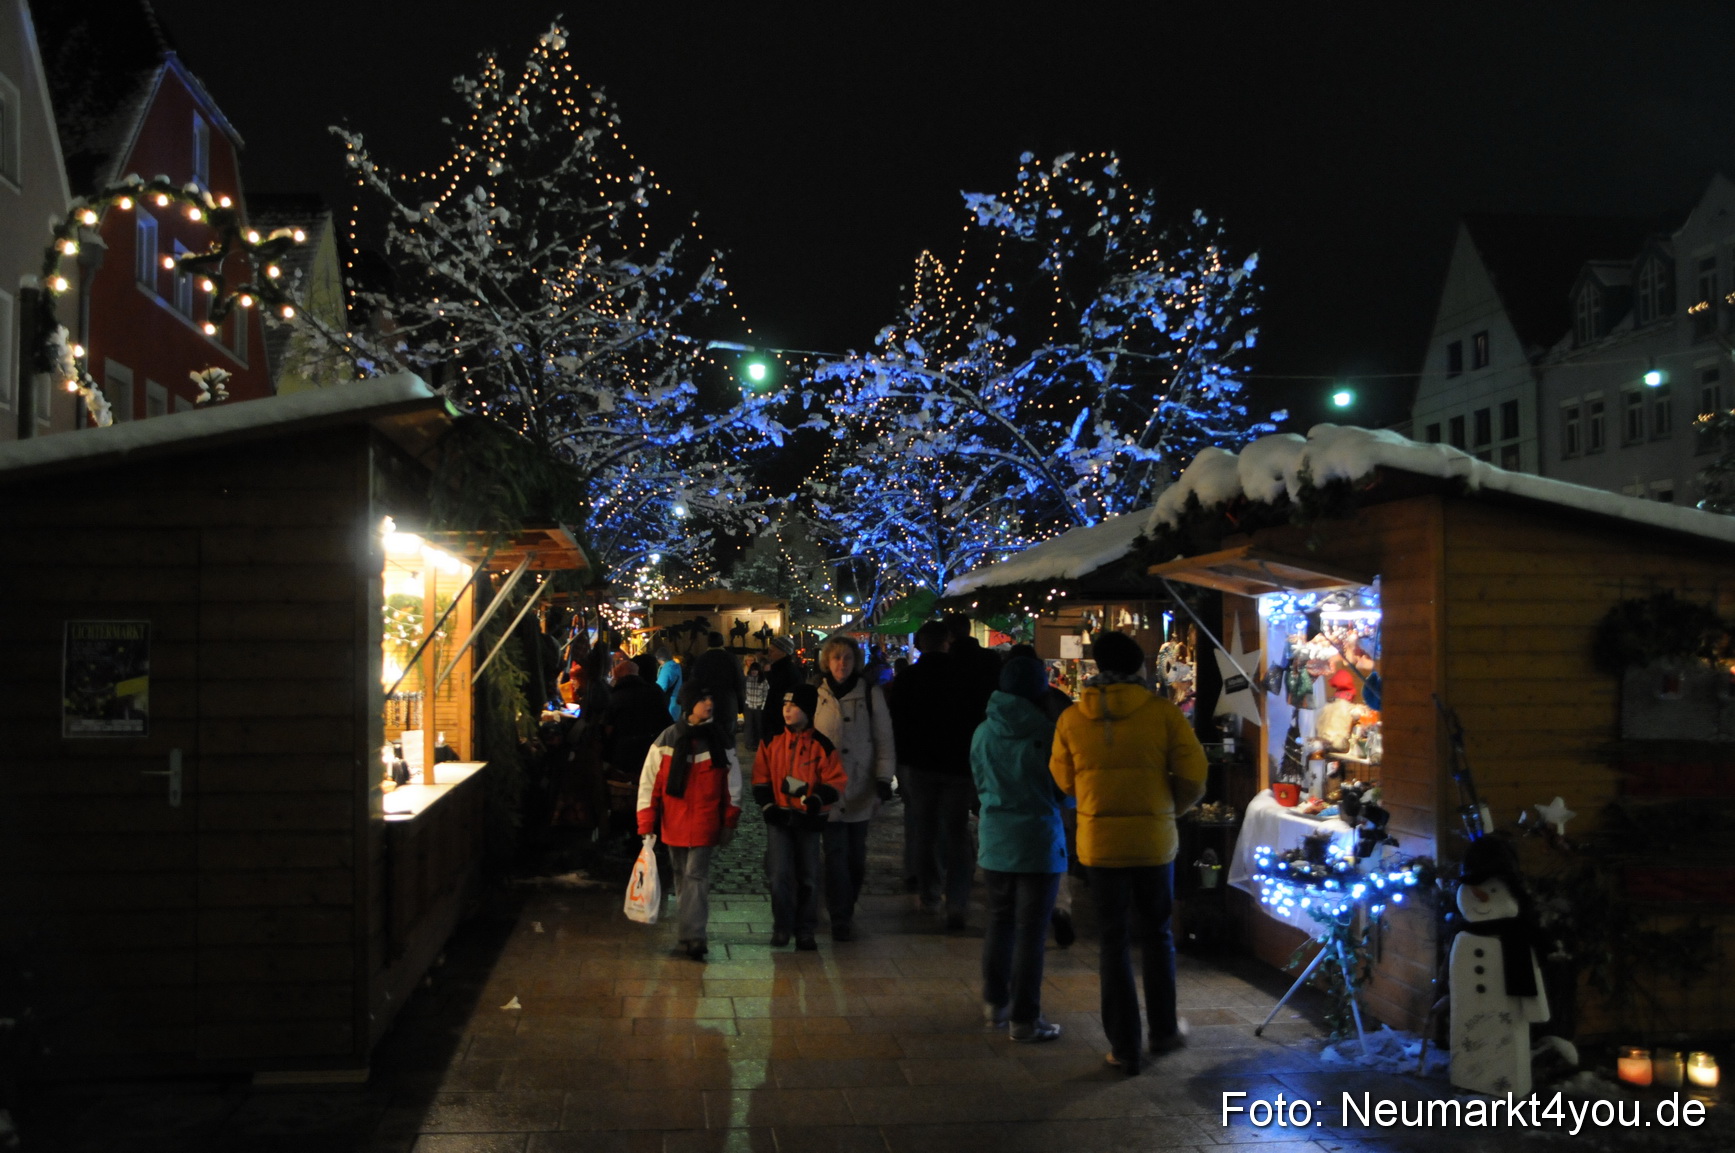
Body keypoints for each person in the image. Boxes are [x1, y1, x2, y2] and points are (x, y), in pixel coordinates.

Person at [1050, 631, 1207, 1074]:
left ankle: (1124, 1047)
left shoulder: (1073, 719)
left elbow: (1063, 780)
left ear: (1097, 665)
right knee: (1157, 936)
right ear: (1139, 666)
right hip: (1154, 844)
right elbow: (1194, 772)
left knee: (1113, 942)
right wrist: (1167, 808)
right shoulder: (1161, 713)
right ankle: (1163, 1031)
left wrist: (1094, 802)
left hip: (1100, 847)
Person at [973, 655, 1067, 1043]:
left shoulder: (983, 732)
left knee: (1000, 921)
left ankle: (996, 1003)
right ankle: (1026, 1018)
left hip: (995, 838)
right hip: (1037, 840)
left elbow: (978, 780)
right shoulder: (1047, 732)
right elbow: (1061, 789)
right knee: (1031, 932)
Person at [636, 683, 742, 961]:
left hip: (705, 823)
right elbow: (650, 785)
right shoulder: (667, 740)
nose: (709, 703)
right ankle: (688, 933)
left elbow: (733, 785)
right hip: (675, 824)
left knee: (695, 876)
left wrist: (729, 821)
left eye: (710, 697)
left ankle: (695, 935)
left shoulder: (720, 740)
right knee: (682, 877)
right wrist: (646, 823)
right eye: (703, 698)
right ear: (689, 704)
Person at [891, 620, 980, 930]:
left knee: (925, 831)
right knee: (957, 832)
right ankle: (957, 900)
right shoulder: (965, 676)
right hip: (958, 765)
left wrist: (899, 765)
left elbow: (898, 725)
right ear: (948, 641)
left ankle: (930, 895)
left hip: (920, 765)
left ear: (919, 644)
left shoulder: (908, 679)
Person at [812, 635, 896, 941]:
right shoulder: (816, 694)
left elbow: (884, 740)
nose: (841, 664)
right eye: (836, 658)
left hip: (860, 785)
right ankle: (840, 915)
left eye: (847, 658)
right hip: (827, 788)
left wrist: (883, 779)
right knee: (834, 852)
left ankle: (848, 901)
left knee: (856, 855)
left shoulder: (870, 694)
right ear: (827, 661)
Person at [752, 684, 847, 950]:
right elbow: (761, 778)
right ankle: (782, 926)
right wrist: (767, 804)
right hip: (779, 818)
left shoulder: (821, 745)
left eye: (793, 706)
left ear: (807, 710)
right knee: (779, 873)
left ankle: (805, 930)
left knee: (808, 876)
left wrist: (817, 798)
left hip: (809, 820)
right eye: (785, 705)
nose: (787, 710)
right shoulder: (771, 741)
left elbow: (836, 780)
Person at [692, 631, 748, 740]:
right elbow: (739, 683)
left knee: (709, 740)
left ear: (708, 643)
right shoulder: (731, 658)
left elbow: (694, 684)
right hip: (728, 704)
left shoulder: (701, 660)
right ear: (722, 642)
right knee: (728, 739)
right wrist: (740, 705)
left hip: (707, 705)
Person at [757, 636, 802, 746]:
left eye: (773, 650)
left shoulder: (786, 672)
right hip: (775, 723)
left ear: (784, 652)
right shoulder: (778, 668)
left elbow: (777, 698)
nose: (769, 652)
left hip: (778, 725)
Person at [742, 660, 768, 755]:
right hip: (748, 706)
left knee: (758, 726)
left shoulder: (763, 681)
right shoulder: (747, 679)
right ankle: (749, 744)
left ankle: (757, 744)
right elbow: (743, 692)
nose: (754, 672)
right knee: (748, 726)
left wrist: (763, 706)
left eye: (755, 670)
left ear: (759, 671)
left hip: (758, 706)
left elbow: (766, 694)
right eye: (752, 670)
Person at [654, 646, 683, 722]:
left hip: (669, 705)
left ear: (659, 659)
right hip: (677, 703)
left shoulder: (666, 669)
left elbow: (661, 688)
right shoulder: (676, 666)